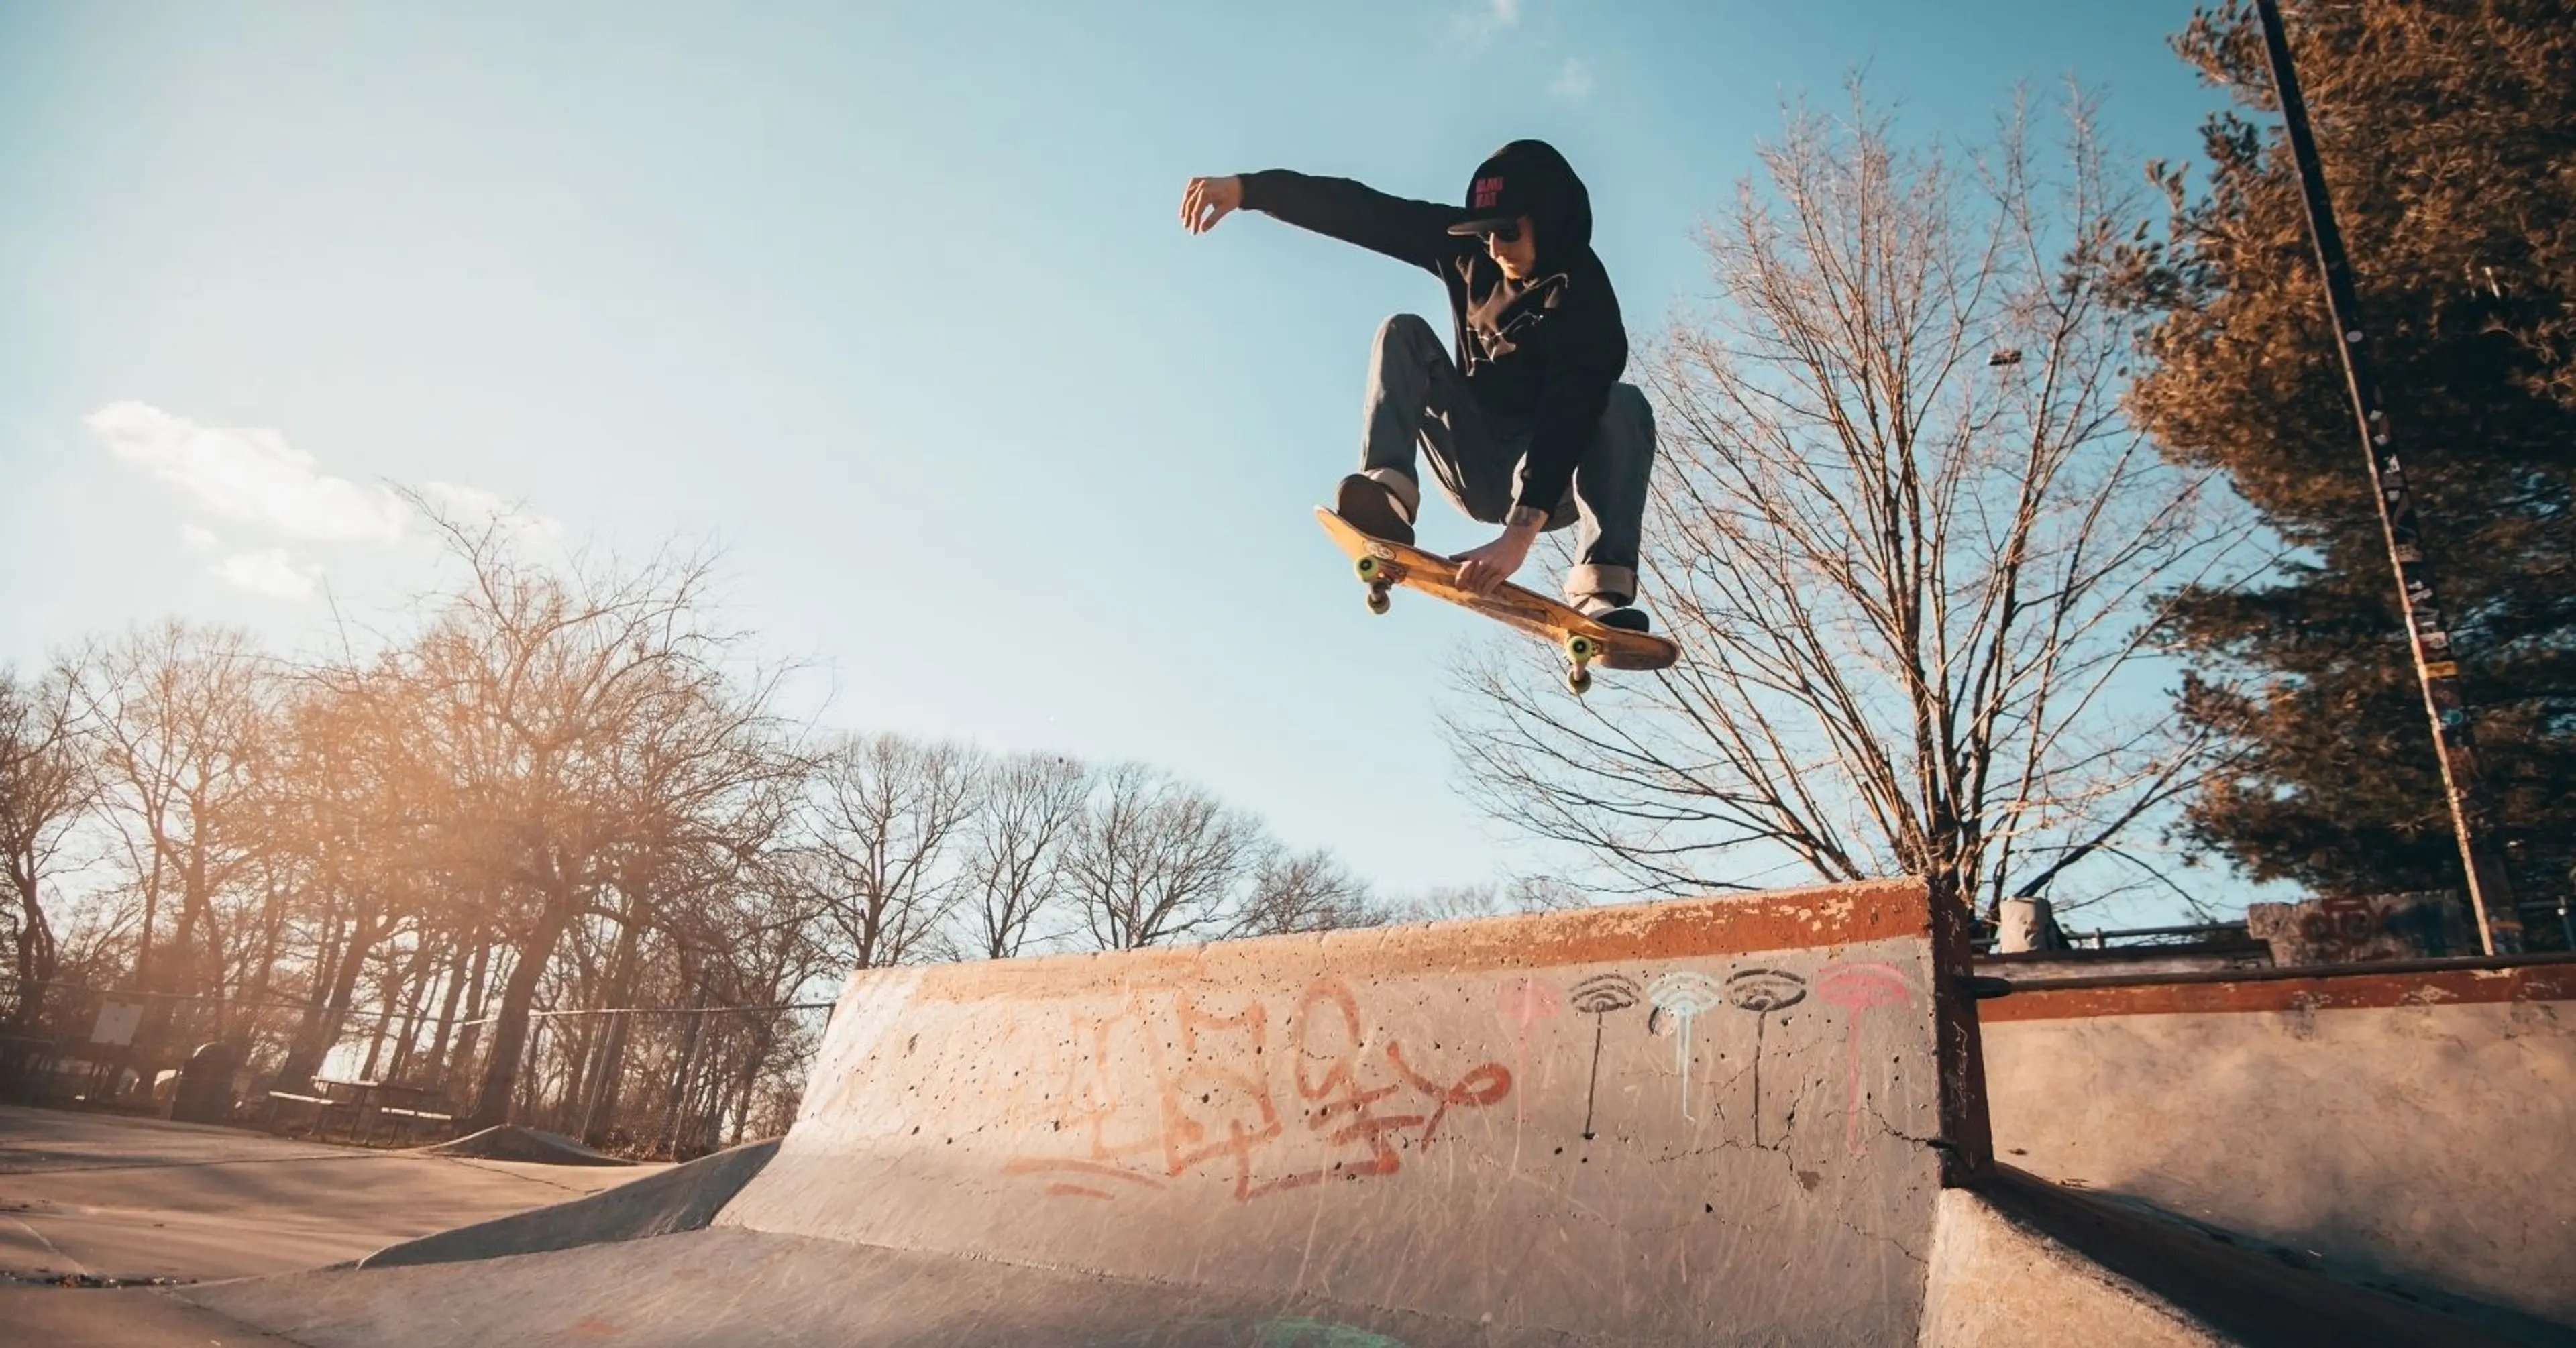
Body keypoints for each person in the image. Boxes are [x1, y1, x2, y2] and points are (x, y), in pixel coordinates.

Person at [1179, 139, 1656, 632]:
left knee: (1621, 405)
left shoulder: (1585, 298)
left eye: (1508, 233)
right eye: (1485, 234)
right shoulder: (1469, 253)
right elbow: (1366, 212)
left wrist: (1518, 536)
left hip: (1547, 475)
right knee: (1403, 331)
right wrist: (1250, 190)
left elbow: (1569, 414)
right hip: (1471, 456)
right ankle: (1390, 494)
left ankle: (1600, 591)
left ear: (1551, 222)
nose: (1494, 249)